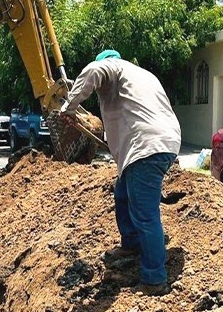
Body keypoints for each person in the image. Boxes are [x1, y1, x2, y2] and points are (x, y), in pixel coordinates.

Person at [60, 49, 182, 296]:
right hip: (164, 142)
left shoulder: (112, 67)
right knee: (122, 193)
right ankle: (131, 243)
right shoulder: (143, 76)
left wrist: (69, 107)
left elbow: (94, 71)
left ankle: (155, 279)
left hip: (145, 147)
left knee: (145, 215)